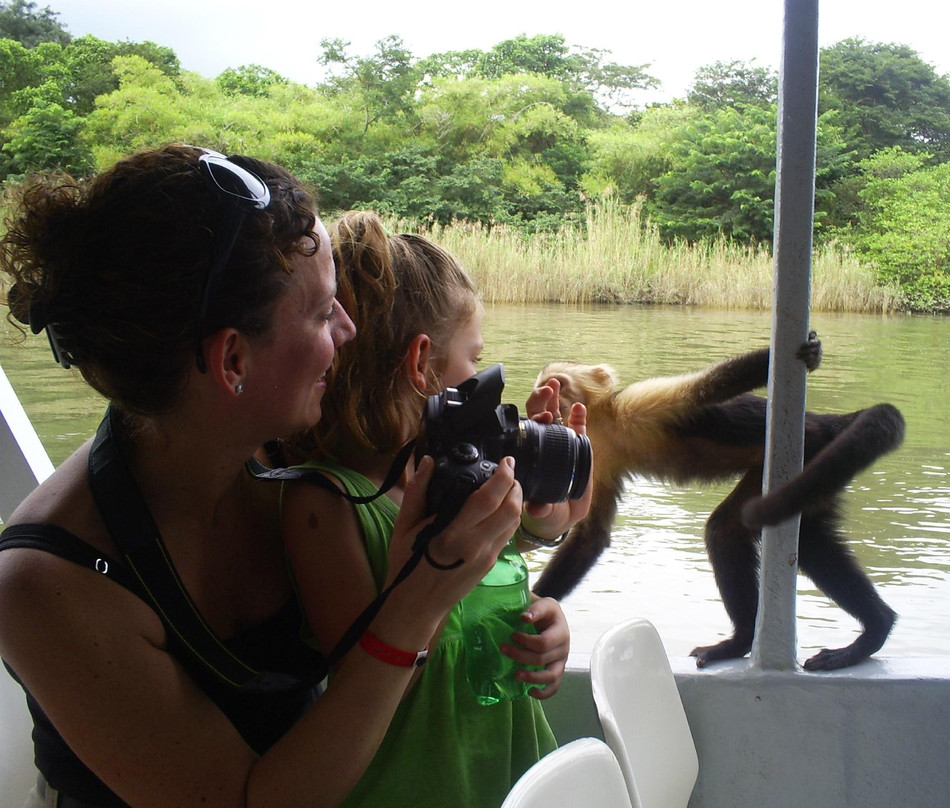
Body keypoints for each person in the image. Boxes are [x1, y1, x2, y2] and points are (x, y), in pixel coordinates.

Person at [0, 145, 526, 808]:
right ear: (232, 359)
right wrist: (410, 609)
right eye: (320, 312)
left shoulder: (289, 453)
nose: (348, 328)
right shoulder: (47, 585)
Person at [280, 210, 590, 808]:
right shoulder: (327, 505)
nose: (483, 382)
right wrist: (413, 584)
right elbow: (370, 697)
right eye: (475, 360)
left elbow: (480, 600)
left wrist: (541, 619)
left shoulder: (438, 484)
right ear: (424, 365)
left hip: (500, 773)